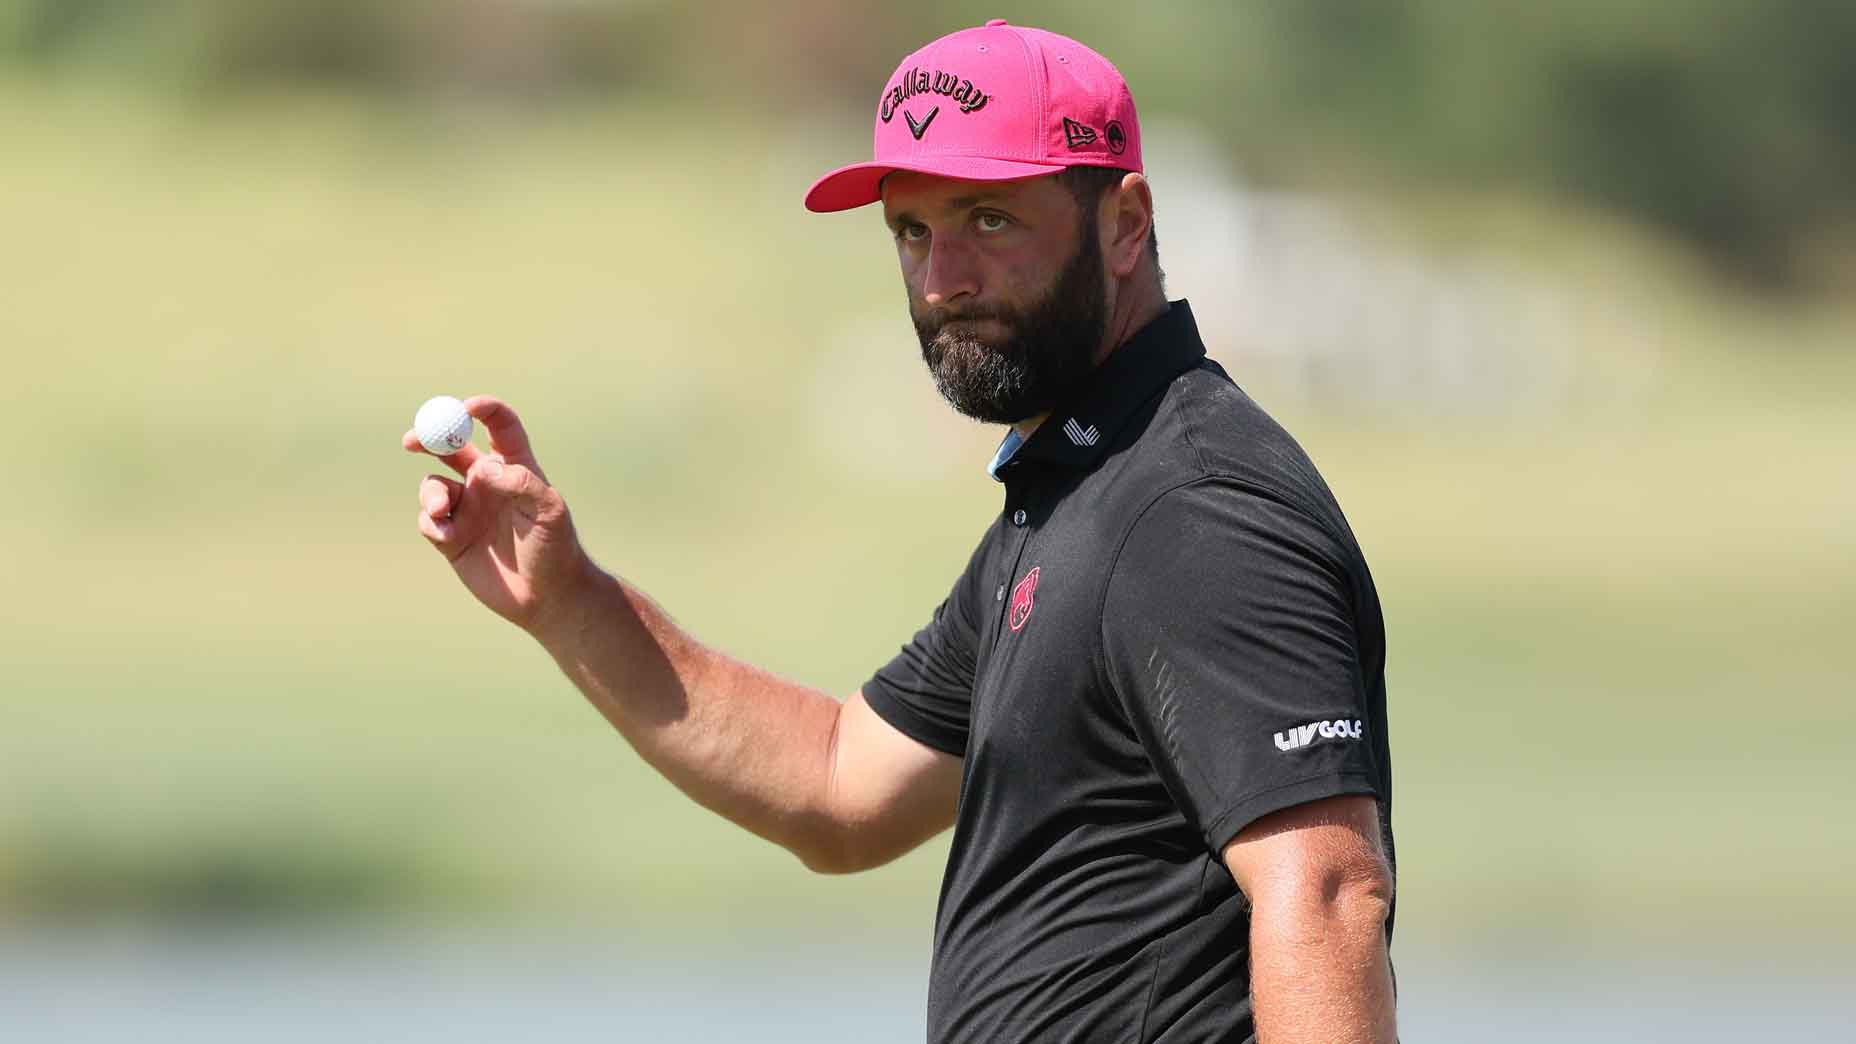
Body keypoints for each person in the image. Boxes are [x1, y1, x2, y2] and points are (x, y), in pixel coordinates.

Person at [404, 19, 1396, 1044]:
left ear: (1125, 224)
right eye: (911, 231)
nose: (939, 279)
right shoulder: (1079, 492)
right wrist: (568, 602)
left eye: (988, 221)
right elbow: (840, 786)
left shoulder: (1190, 509)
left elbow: (1323, 895)